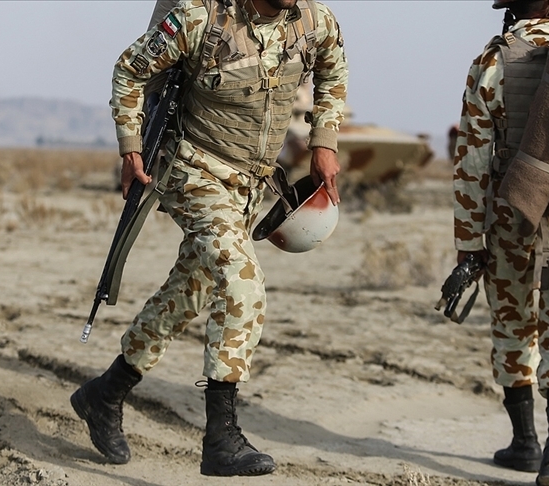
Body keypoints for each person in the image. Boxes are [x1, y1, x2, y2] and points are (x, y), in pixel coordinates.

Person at [70, 0, 348, 477]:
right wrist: (130, 147)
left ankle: (105, 393)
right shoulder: (201, 18)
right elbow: (129, 70)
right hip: (193, 171)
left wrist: (324, 139)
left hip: (249, 184)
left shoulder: (313, 19)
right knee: (242, 283)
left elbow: (333, 65)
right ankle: (221, 437)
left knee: (191, 288)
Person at [451, 1, 549, 485]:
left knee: (513, 326)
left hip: (510, 218)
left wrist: (469, 242)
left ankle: (525, 443)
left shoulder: (494, 60)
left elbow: (472, 161)